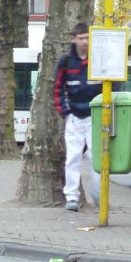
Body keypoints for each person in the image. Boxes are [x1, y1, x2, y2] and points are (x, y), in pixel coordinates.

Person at [54, 22, 102, 211]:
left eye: (87, 37)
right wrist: (65, 112)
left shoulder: (98, 60)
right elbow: (58, 88)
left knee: (95, 157)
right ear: (74, 39)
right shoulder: (66, 63)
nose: (84, 41)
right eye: (81, 38)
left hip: (95, 116)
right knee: (73, 157)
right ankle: (72, 196)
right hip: (74, 116)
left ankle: (98, 193)